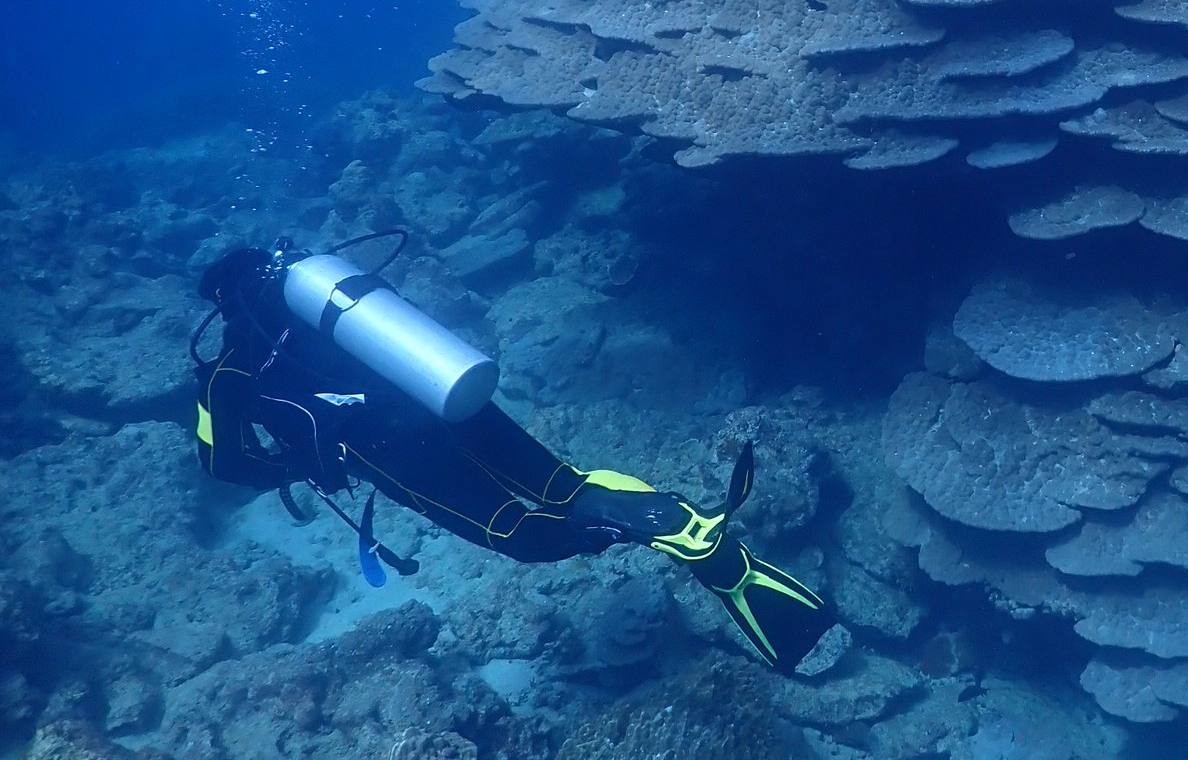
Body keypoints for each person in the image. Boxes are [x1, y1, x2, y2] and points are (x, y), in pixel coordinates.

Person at [190, 245, 837, 675]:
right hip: (447, 395)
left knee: (519, 535)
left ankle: (634, 530)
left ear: (223, 303)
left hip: (397, 453)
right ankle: (663, 513)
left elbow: (222, 462)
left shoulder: (228, 370)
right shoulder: (330, 303)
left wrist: (293, 467)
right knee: (561, 483)